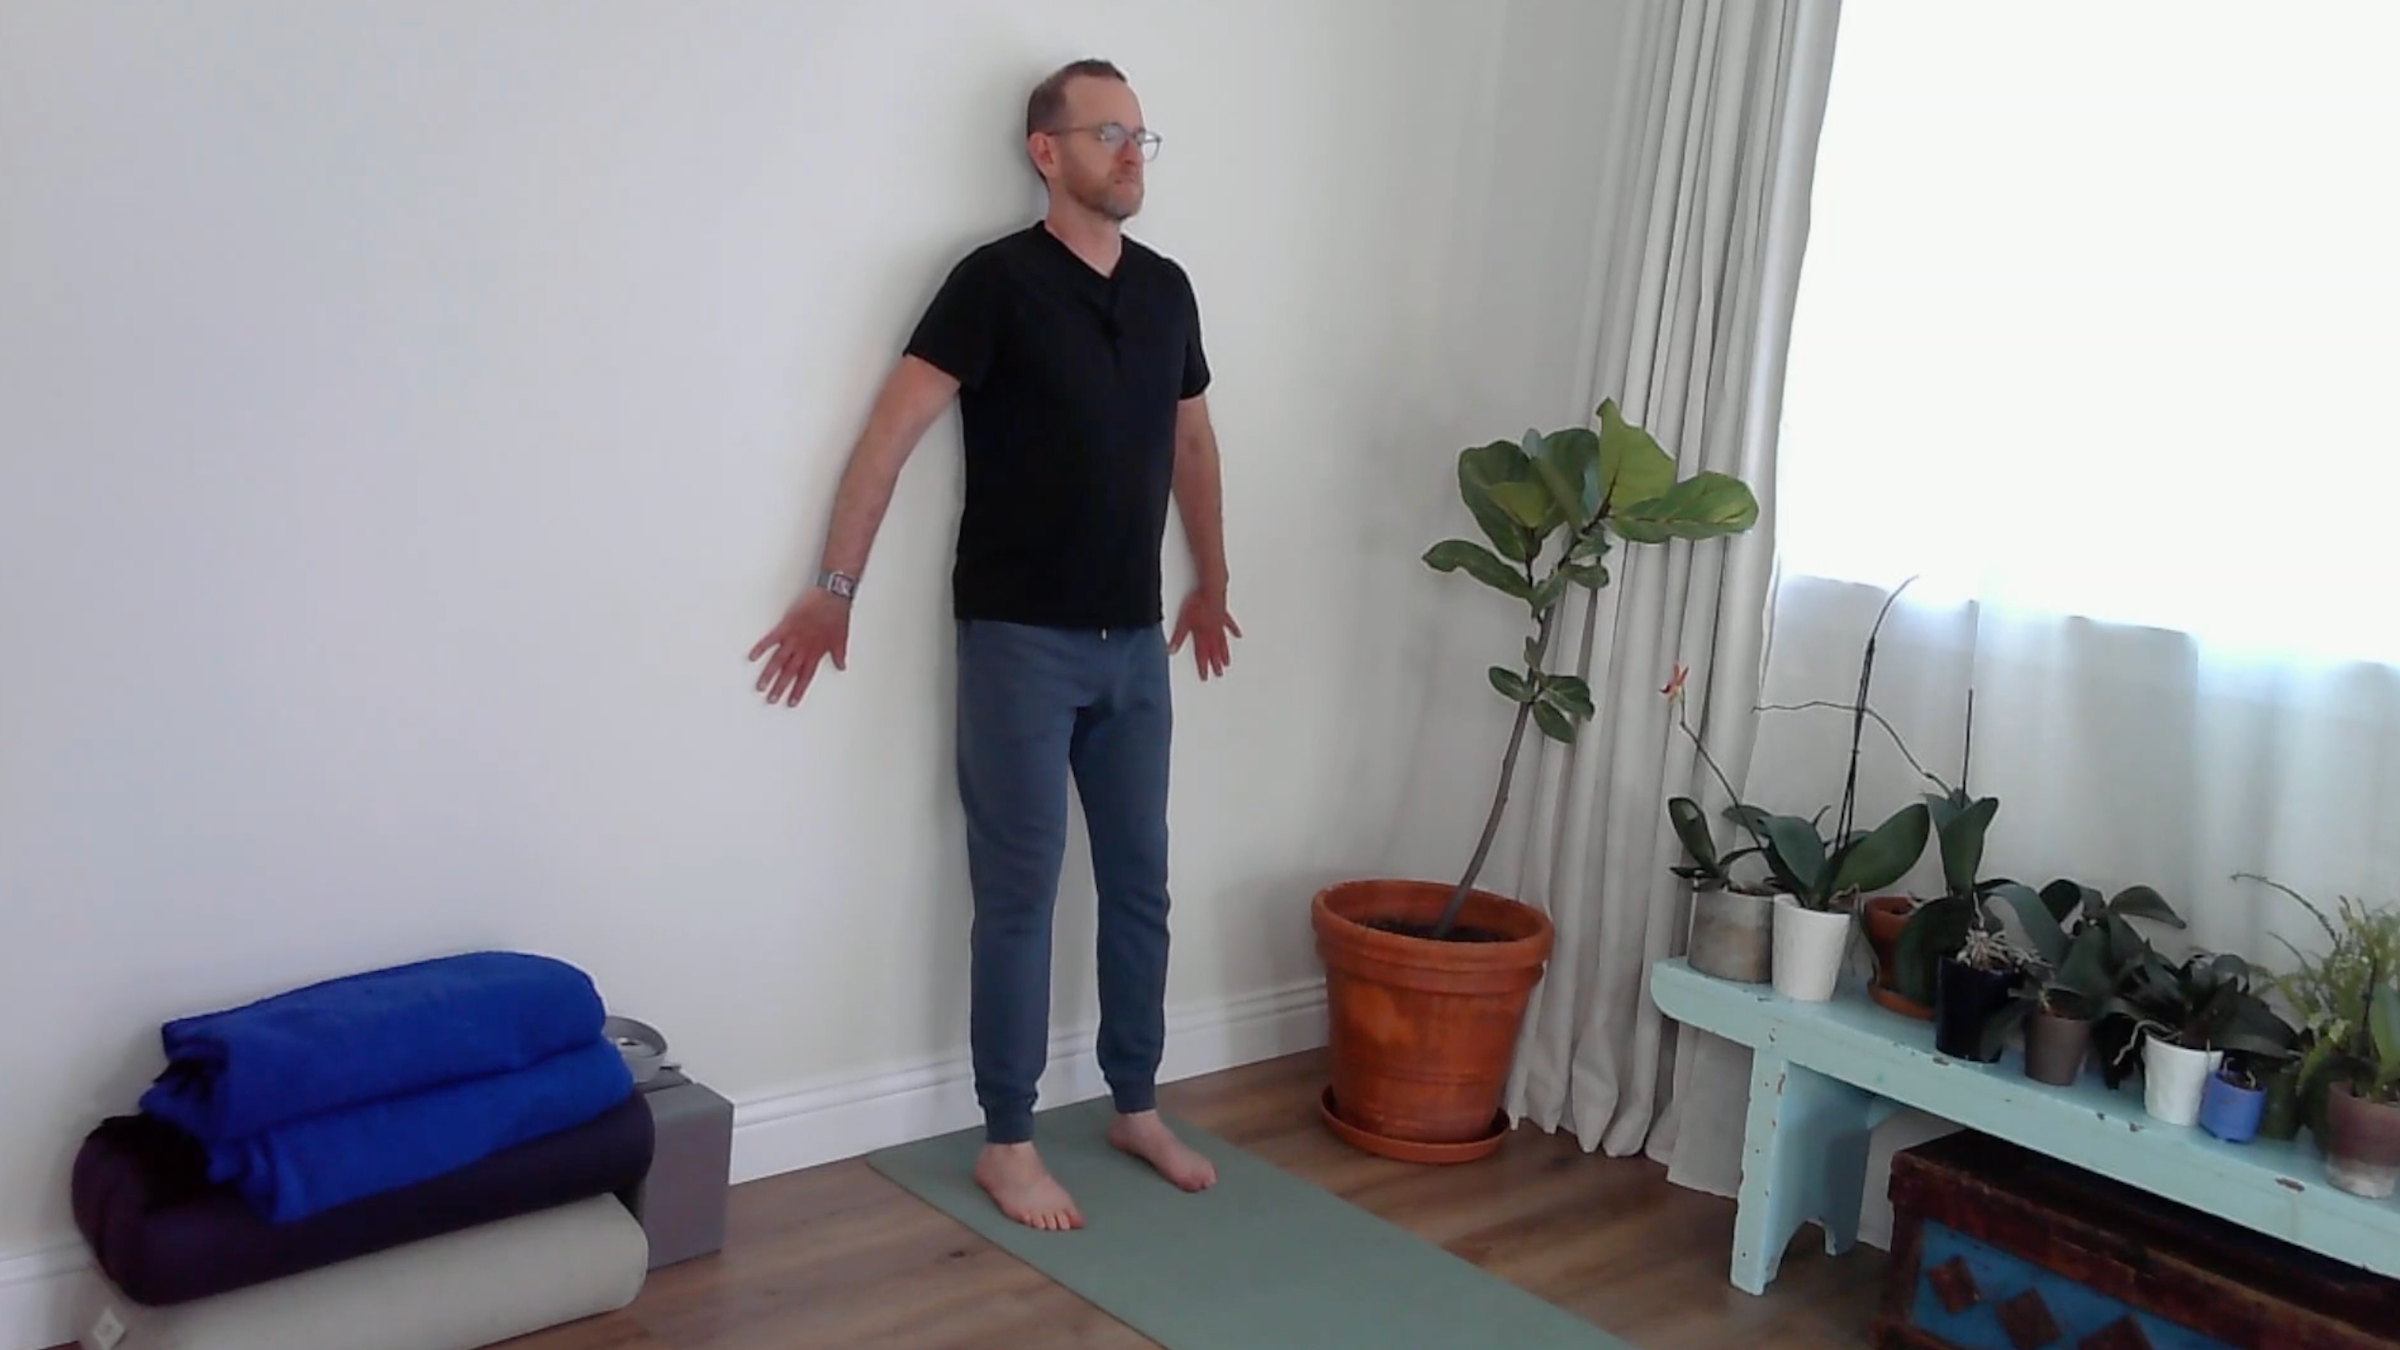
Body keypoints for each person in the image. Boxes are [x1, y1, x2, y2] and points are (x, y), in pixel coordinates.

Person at [746, 58, 1238, 1232]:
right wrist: (832, 589)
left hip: (1132, 648)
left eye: (1141, 134)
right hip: (1020, 641)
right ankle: (1007, 1139)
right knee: (1018, 894)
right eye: (1106, 132)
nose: (1130, 151)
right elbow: (890, 436)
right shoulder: (995, 283)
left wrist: (1213, 582)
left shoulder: (1167, 291)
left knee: (1140, 886)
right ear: (1046, 151)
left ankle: (1133, 1101)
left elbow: (1195, 449)